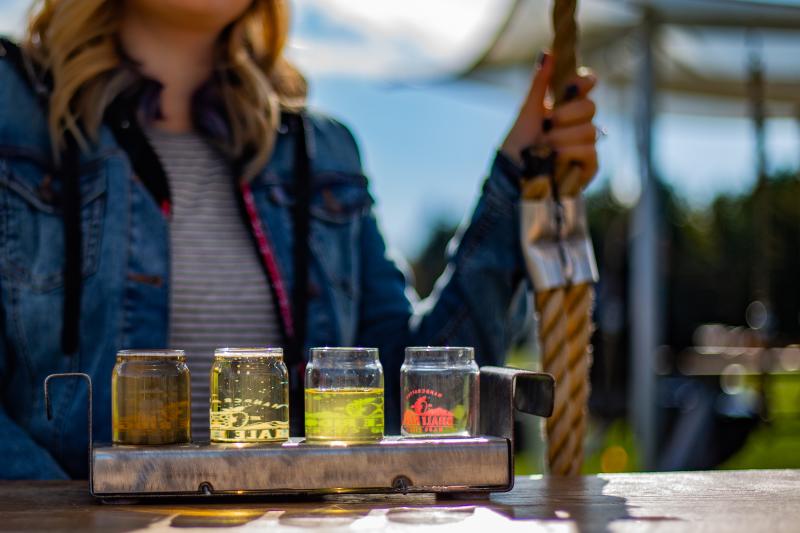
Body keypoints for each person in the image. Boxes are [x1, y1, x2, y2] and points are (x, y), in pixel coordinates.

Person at [0, 0, 598, 479]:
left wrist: (517, 174)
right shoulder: (12, 110)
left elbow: (403, 393)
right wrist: (62, 511)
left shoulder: (322, 152)